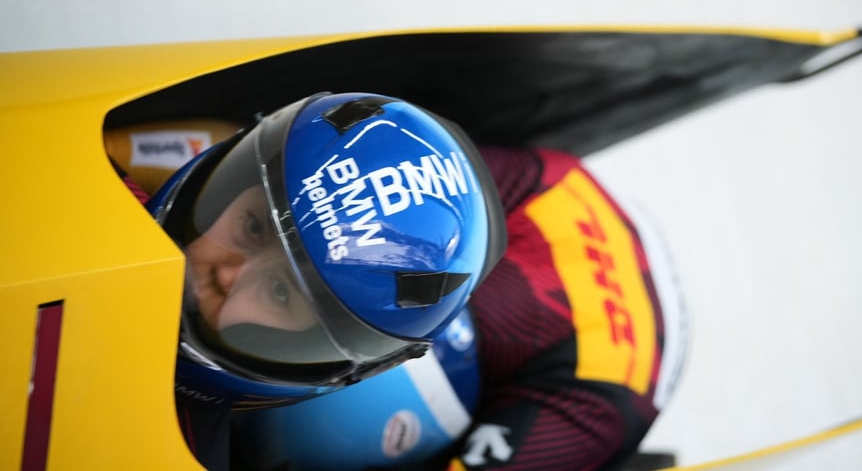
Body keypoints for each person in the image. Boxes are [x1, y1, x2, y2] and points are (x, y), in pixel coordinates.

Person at [111, 92, 687, 471]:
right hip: (557, 200)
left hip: (602, 379)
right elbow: (269, 152)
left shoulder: (593, 408)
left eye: (284, 293)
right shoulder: (522, 191)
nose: (224, 274)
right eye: (253, 226)